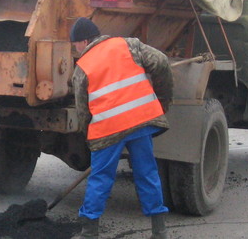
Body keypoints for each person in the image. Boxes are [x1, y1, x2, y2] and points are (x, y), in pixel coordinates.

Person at [69, 17, 174, 239]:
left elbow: (82, 111)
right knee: (147, 173)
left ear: (85, 40)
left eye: (75, 44)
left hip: (107, 130)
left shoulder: (82, 67)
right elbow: (161, 61)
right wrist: (162, 101)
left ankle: (88, 233)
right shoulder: (129, 44)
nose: (75, 49)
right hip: (140, 121)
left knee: (100, 178)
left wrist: (89, 136)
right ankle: (159, 231)